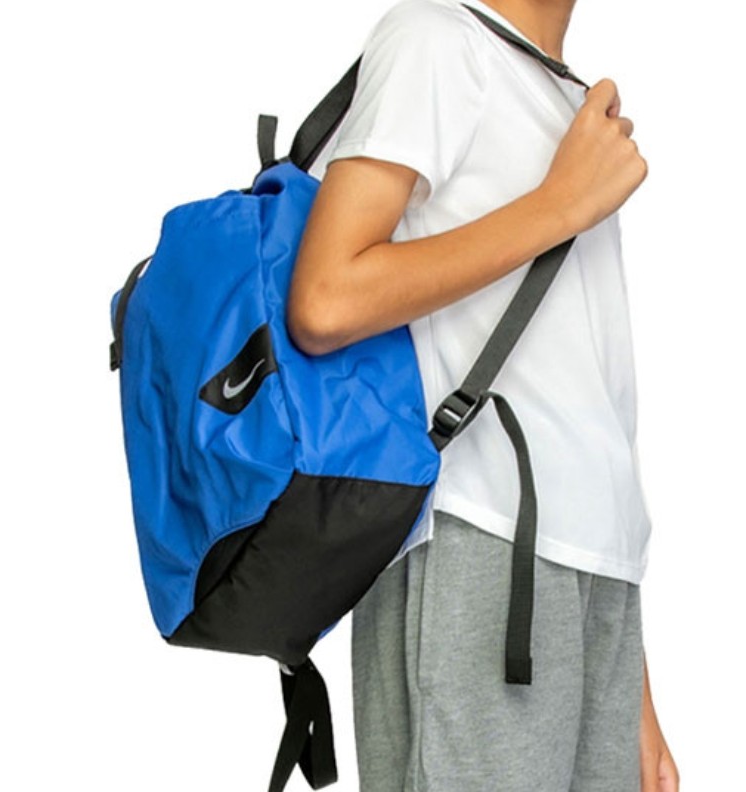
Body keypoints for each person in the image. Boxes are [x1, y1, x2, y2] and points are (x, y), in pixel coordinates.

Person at [289, 0, 679, 789]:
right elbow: (325, 301)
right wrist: (559, 204)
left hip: (591, 581)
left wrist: (631, 690)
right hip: (480, 539)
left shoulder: (567, 100)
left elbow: (590, 401)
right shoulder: (437, 40)